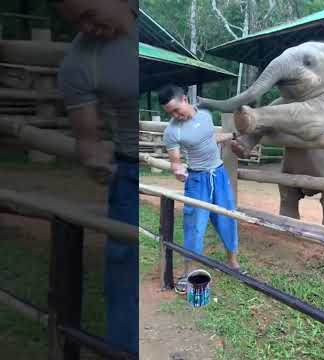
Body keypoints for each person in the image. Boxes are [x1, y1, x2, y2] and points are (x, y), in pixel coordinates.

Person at [51, 0, 139, 355]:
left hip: (184, 170)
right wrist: (95, 158)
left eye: (88, 15)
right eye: (76, 23)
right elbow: (88, 141)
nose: (86, 28)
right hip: (132, 176)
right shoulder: (80, 63)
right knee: (125, 273)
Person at [159, 84, 246, 294]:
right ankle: (188, 272)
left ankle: (233, 263)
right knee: (194, 226)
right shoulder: (172, 131)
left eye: (176, 110)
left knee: (227, 218)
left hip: (219, 174)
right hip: (197, 180)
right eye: (170, 113)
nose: (175, 115)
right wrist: (178, 171)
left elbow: (208, 138)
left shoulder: (205, 115)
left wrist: (230, 136)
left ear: (185, 100)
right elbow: (175, 161)